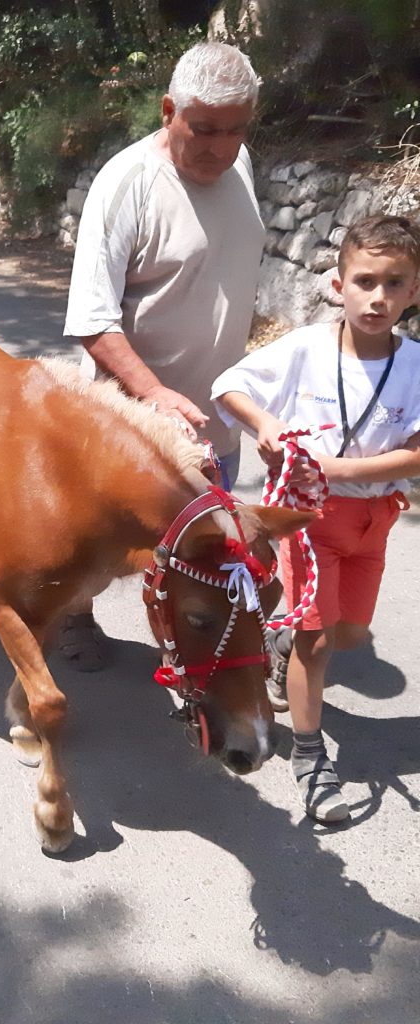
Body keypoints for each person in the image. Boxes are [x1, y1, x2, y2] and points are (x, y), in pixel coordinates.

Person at [60, 40, 264, 668]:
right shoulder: (128, 183)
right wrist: (153, 393)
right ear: (168, 109)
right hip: (137, 422)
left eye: (235, 130)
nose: (220, 147)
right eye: (204, 129)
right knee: (97, 537)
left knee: (210, 553)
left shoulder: (241, 164)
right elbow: (92, 320)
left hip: (216, 418)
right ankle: (75, 615)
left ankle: (211, 655)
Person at [211, 214, 420, 823]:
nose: (377, 297)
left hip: (373, 520)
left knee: (350, 633)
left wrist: (332, 467)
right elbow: (229, 385)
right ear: (338, 283)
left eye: (394, 283)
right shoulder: (305, 348)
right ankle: (310, 754)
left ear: (414, 291)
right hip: (308, 523)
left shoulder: (415, 365)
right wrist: (266, 425)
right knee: (320, 640)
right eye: (364, 281)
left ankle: (277, 639)